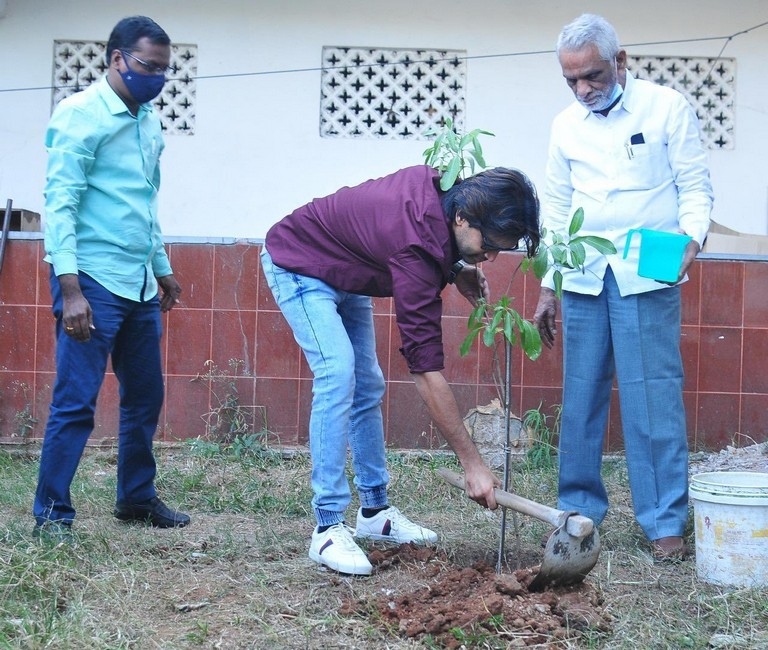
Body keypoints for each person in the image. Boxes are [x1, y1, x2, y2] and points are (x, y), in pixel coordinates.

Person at [261, 164, 540, 575]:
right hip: (299, 263)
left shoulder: (447, 187)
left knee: (368, 383)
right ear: (462, 218)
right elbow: (425, 370)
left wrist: (456, 268)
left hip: (347, 269)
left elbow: (423, 239)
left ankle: (375, 512)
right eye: (489, 245)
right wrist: (472, 463)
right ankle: (326, 527)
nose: (492, 257)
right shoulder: (414, 248)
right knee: (338, 374)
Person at [533, 14, 713, 560]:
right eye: (572, 81)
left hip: (649, 267)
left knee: (652, 394)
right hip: (585, 272)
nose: (583, 90)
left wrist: (693, 241)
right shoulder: (566, 124)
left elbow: (695, 185)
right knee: (581, 397)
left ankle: (664, 523)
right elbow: (558, 210)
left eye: (592, 76)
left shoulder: (667, 107)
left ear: (622, 61)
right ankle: (578, 513)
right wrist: (549, 283)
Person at [33, 15, 190, 542]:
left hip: (139, 282)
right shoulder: (79, 115)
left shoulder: (148, 121)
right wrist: (69, 288)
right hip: (92, 279)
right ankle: (52, 513)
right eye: (149, 66)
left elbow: (144, 204)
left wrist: (162, 268)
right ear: (117, 58)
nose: (158, 78)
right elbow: (60, 203)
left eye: (166, 69)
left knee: (145, 396)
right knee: (76, 400)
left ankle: (136, 498)